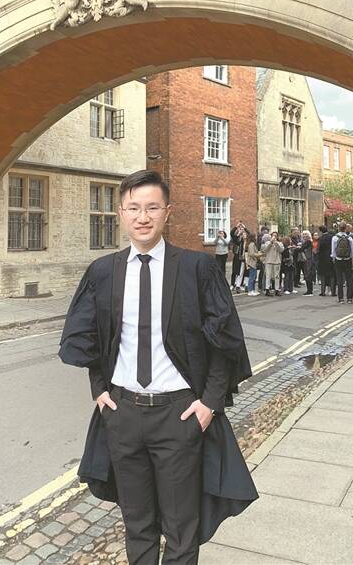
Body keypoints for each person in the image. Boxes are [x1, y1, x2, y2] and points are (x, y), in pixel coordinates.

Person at [58, 170, 258, 564]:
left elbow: (225, 342)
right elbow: (92, 338)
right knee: (138, 525)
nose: (143, 217)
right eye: (133, 208)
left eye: (152, 207)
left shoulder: (197, 269)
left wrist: (209, 404)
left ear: (168, 211)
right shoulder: (103, 272)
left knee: (182, 529)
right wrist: (99, 390)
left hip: (178, 415)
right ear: (121, 213)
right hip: (123, 415)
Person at [331, 221, 353, 303]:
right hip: (348, 260)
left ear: (339, 228)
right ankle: (349, 298)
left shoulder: (335, 238)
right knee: (349, 279)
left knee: (339, 280)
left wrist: (334, 259)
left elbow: (333, 251)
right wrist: (352, 261)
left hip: (338, 260)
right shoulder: (349, 238)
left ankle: (341, 298)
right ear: (345, 228)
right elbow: (352, 252)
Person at [262, 231, 284, 296]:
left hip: (277, 261)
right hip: (269, 261)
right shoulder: (267, 243)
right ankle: (267, 289)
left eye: (275, 236)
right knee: (268, 276)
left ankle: (277, 289)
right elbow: (264, 250)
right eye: (273, 235)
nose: (274, 237)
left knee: (277, 276)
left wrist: (276, 243)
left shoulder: (280, 243)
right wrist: (271, 243)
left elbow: (281, 250)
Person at [317, 225, 336, 296]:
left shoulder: (321, 239)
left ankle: (323, 291)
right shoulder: (332, 237)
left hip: (322, 259)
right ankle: (333, 292)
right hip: (331, 257)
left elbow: (318, 249)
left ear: (321, 231)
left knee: (323, 276)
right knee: (332, 275)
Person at [229, 221, 245, 289]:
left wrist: (245, 228)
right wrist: (236, 226)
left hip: (243, 257)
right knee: (234, 270)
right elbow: (231, 233)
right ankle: (232, 284)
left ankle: (240, 284)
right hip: (236, 256)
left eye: (242, 229)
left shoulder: (245, 239)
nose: (241, 230)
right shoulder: (236, 238)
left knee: (241, 271)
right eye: (240, 229)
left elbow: (249, 234)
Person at [300, 229, 315, 296]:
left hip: (308, 260)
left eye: (305, 234)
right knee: (307, 275)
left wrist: (296, 248)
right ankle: (309, 290)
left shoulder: (308, 242)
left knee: (308, 275)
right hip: (308, 259)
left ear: (308, 235)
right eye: (303, 234)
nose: (304, 236)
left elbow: (301, 249)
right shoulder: (308, 242)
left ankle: (309, 291)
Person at [245, 232, 260, 296]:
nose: (256, 237)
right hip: (252, 262)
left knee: (254, 277)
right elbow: (251, 254)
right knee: (252, 277)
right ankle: (250, 290)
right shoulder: (252, 244)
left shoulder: (251, 244)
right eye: (255, 236)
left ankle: (253, 290)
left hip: (253, 262)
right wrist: (259, 254)